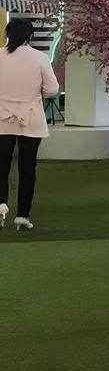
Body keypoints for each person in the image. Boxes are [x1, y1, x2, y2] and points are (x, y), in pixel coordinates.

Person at [0, 18, 59, 230]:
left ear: (7, 34)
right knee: (27, 168)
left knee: (1, 166)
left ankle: (1, 205)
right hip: (31, 118)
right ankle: (22, 215)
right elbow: (52, 89)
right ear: (30, 36)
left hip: (2, 118)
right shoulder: (39, 58)